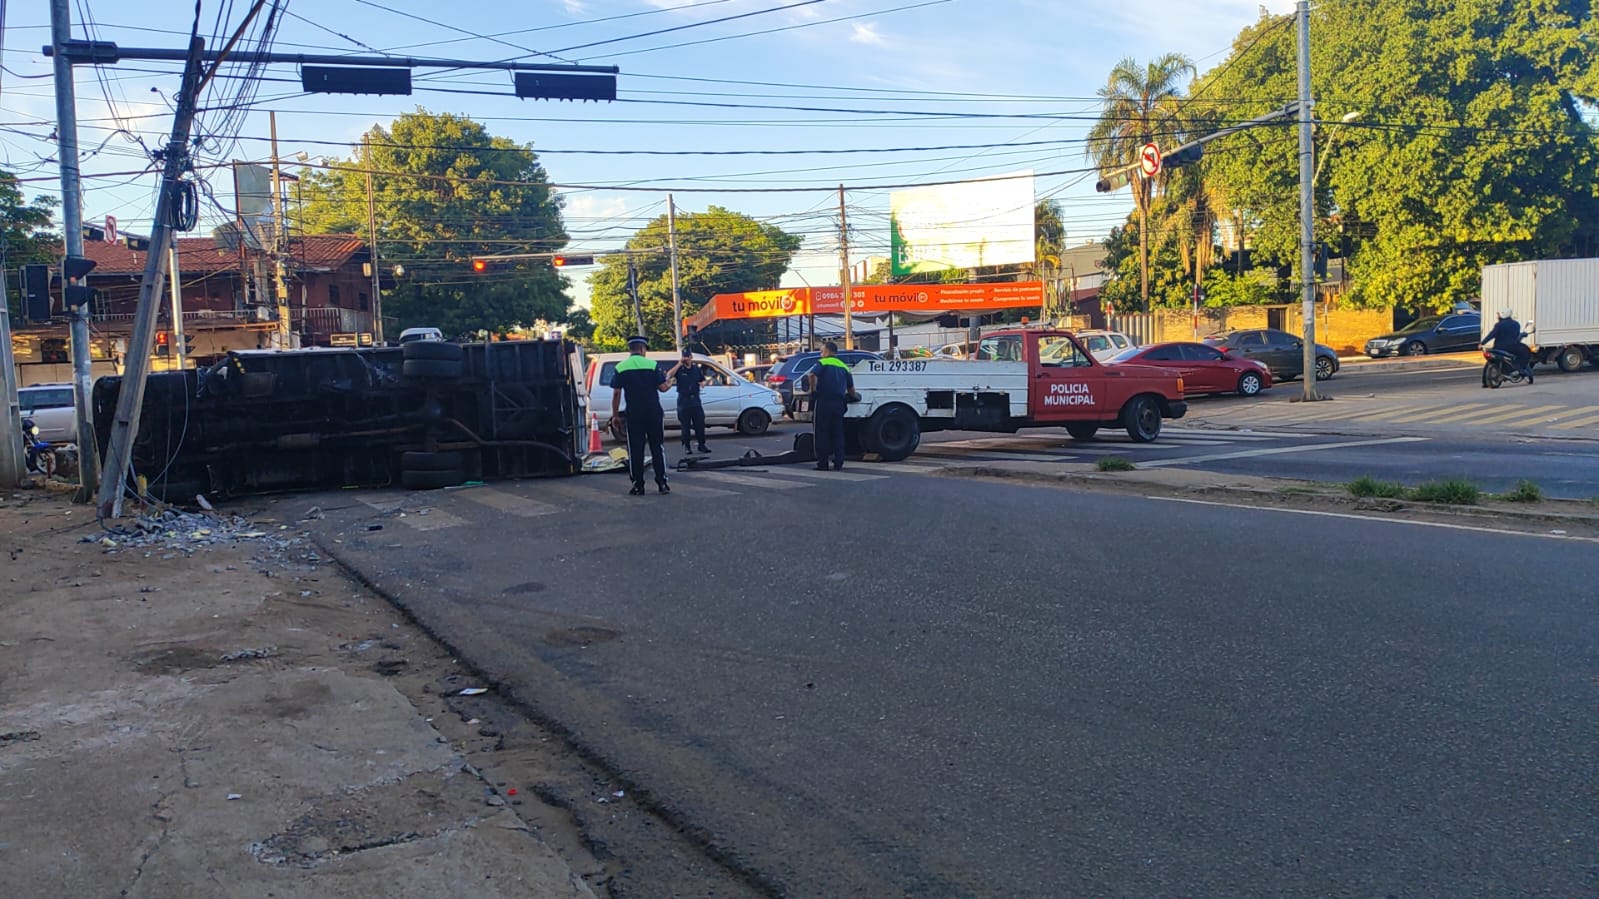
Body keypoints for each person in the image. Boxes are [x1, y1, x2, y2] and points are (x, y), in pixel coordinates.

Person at [610, 336, 673, 495]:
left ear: (630, 349)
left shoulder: (621, 367)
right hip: (653, 412)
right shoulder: (652, 365)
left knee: (635, 449)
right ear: (642, 349)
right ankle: (662, 483)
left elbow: (616, 393)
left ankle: (638, 485)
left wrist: (615, 415)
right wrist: (670, 383)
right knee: (657, 447)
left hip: (634, 413)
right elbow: (663, 388)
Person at [804, 341, 854, 471]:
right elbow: (851, 387)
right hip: (839, 403)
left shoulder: (823, 362)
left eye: (821, 351)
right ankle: (838, 462)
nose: (821, 354)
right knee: (838, 433)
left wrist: (812, 390)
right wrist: (852, 396)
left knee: (822, 432)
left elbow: (812, 375)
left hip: (824, 401)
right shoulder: (844, 366)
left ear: (827, 351)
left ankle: (823, 463)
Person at [667, 350, 710, 454]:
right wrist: (679, 364)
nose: (686, 358)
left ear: (691, 357)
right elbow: (669, 375)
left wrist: (703, 383)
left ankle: (701, 445)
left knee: (700, 423)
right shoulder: (679, 369)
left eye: (687, 356)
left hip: (695, 399)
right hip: (684, 400)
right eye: (684, 357)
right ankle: (687, 446)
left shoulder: (696, 369)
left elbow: (702, 379)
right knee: (685, 425)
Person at [1481, 308, 1532, 384]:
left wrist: (1482, 343)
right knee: (1526, 351)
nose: (1497, 316)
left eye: (1498, 314)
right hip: (1512, 347)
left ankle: (1485, 382)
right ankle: (1521, 369)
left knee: (1489, 362)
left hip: (1498, 347)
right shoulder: (1515, 324)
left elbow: (1491, 335)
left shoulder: (1499, 325)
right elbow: (1516, 336)